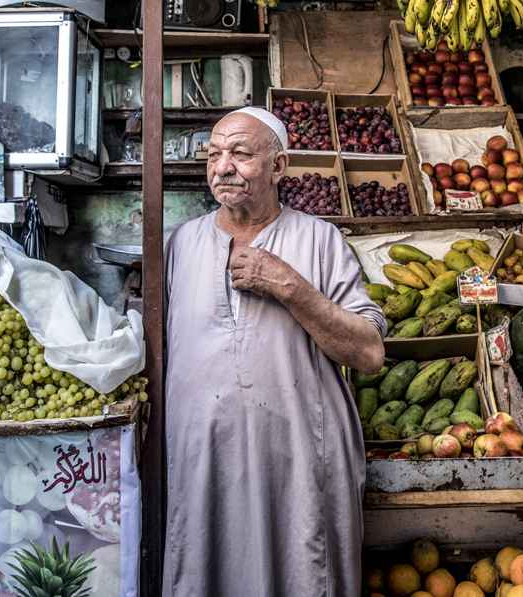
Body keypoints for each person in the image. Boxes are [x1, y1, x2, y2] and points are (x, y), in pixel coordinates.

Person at [163, 107, 387, 597]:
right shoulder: (182, 243)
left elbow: (369, 354)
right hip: (206, 460)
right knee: (207, 569)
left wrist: (292, 288)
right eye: (214, 154)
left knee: (303, 571)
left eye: (241, 154)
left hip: (299, 458)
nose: (223, 167)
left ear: (278, 166)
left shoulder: (319, 239)